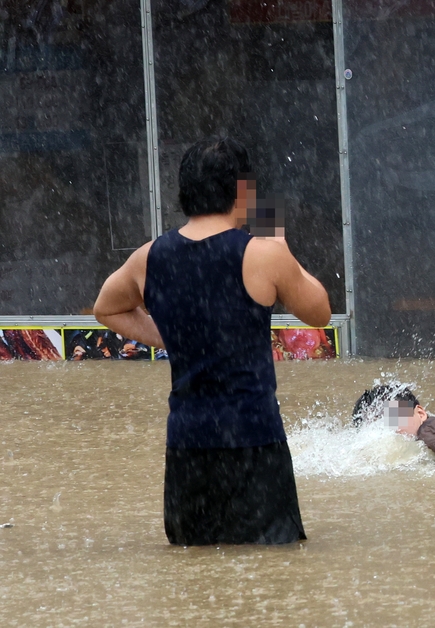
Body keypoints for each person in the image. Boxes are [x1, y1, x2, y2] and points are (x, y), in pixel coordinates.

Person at [93, 136, 331, 545]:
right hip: (254, 443)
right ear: (244, 192)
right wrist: (278, 240)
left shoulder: (148, 257)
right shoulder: (263, 254)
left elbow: (106, 308)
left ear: (185, 193)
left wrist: (168, 337)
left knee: (194, 580)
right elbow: (320, 312)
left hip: (187, 449)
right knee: (273, 582)